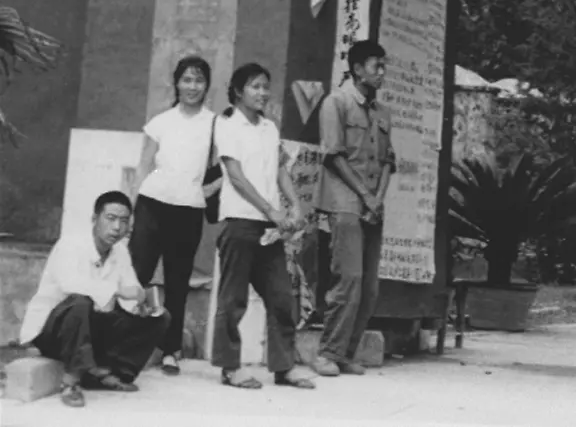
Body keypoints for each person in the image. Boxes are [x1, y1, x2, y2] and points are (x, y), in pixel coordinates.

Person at [210, 62, 314, 390]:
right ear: (239, 91)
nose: (262, 93)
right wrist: (272, 210)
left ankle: (283, 368)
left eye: (266, 86)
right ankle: (230, 368)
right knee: (233, 299)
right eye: (255, 86)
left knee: (281, 297)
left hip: (269, 230)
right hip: (240, 223)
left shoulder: (269, 127)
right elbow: (236, 177)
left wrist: (294, 204)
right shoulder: (227, 124)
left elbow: (280, 170)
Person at [19, 191, 169, 407]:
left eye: (124, 221)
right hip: (53, 331)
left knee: (160, 318)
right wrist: (118, 291)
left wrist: (139, 304)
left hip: (91, 329)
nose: (117, 227)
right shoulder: (71, 244)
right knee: (81, 302)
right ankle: (71, 381)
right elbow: (71, 284)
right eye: (111, 218)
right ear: (94, 219)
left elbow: (132, 286)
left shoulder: (120, 251)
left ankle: (108, 372)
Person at [128, 54, 219, 375]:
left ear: (207, 85)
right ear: (177, 83)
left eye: (199, 80)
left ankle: (170, 350)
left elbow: (226, 167)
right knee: (137, 274)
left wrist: (204, 191)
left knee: (177, 282)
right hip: (152, 204)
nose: (192, 86)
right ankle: (126, 343)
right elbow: (143, 166)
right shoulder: (161, 121)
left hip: (188, 212)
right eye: (187, 79)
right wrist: (130, 209)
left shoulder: (214, 124)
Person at [311, 40, 394, 377]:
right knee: (349, 278)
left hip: (373, 206)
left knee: (370, 286)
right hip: (344, 203)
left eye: (384, 66)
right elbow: (333, 156)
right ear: (358, 68)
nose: (382, 72)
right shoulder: (337, 102)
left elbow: (390, 161)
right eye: (377, 66)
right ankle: (327, 353)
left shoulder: (383, 112)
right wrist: (365, 195)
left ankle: (346, 353)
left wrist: (378, 199)